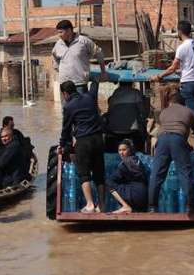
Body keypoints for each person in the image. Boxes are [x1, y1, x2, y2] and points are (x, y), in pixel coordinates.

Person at [147, 84, 194, 214]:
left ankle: (152, 207)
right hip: (178, 139)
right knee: (185, 173)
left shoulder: (164, 113)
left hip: (162, 140)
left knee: (156, 174)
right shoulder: (190, 112)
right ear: (184, 102)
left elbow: (162, 129)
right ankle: (191, 206)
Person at [58, 79, 105, 213]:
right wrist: (94, 78)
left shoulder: (68, 107)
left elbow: (66, 130)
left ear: (65, 94)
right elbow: (95, 86)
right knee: (99, 173)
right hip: (98, 139)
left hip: (83, 141)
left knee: (84, 173)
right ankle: (101, 205)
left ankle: (90, 204)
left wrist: (62, 145)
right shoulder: (89, 97)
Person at [150, 20, 194, 120]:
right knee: (180, 105)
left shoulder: (182, 47)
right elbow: (192, 62)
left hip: (189, 83)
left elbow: (173, 68)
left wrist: (158, 76)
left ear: (179, 32)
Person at [51, 19, 108, 95]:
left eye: (61, 32)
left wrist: (103, 72)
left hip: (79, 84)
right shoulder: (58, 45)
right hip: (64, 85)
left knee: (81, 106)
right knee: (66, 107)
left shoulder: (83, 41)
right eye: (58, 32)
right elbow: (55, 62)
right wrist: (64, 72)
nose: (59, 35)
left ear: (69, 30)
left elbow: (99, 53)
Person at [103, 81, 149, 153]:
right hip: (131, 131)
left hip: (114, 130)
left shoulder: (115, 93)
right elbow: (142, 111)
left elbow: (110, 111)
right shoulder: (135, 93)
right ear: (131, 83)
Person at [106, 139, 148, 214]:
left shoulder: (125, 163)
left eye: (124, 150)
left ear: (130, 150)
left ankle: (125, 206)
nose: (121, 153)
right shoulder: (137, 160)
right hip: (144, 196)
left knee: (109, 183)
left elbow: (111, 180)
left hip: (135, 195)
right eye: (119, 150)